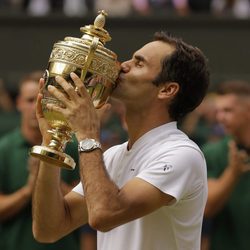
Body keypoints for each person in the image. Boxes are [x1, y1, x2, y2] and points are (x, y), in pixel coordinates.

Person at [32, 31, 210, 250]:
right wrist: (53, 141)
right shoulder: (112, 155)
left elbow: (104, 215)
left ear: (167, 89)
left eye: (139, 63)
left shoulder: (182, 154)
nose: (123, 65)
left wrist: (88, 134)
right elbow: (48, 229)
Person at [0, 71, 81, 250]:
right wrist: (28, 190)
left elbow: (88, 204)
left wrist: (48, 177)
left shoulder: (72, 146)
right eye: (31, 100)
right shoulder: (3, 149)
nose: (38, 106)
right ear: (18, 103)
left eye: (46, 100)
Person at [202, 80, 250, 250]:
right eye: (218, 111)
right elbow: (206, 208)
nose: (219, 117)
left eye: (227, 110)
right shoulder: (214, 153)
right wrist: (233, 172)